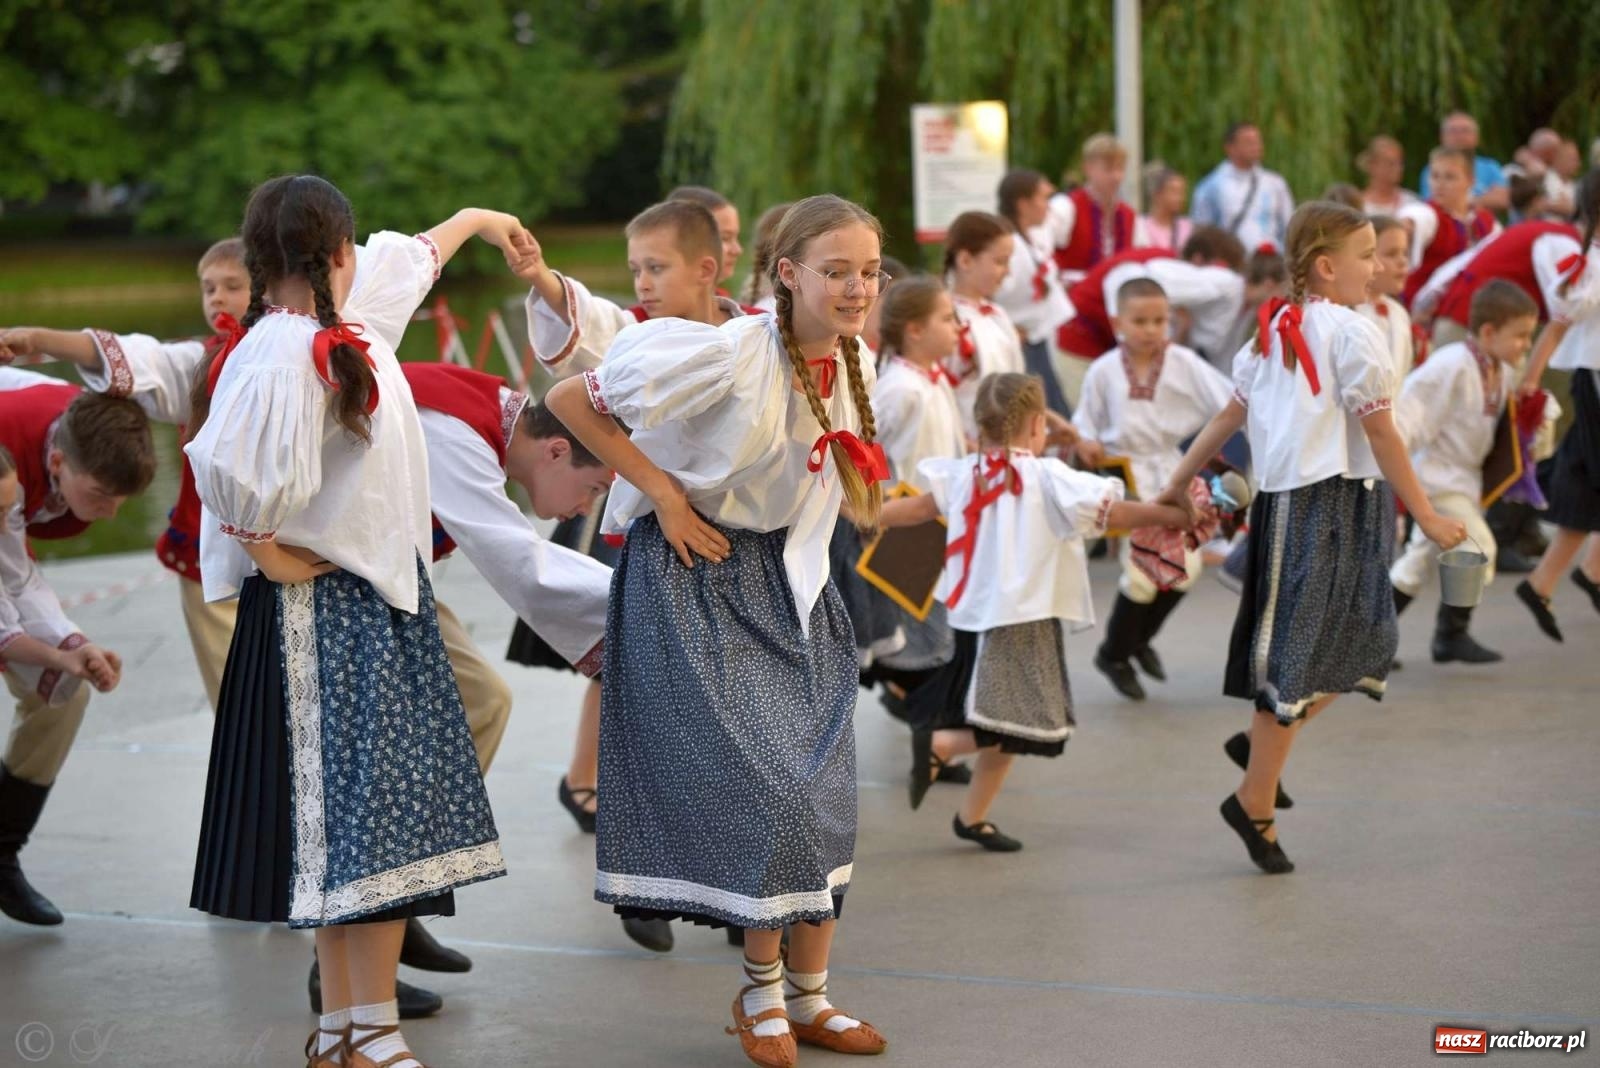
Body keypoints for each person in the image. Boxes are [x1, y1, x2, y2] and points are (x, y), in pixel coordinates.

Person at [183, 174, 532, 1068]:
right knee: (364, 830)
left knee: (365, 832)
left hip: (373, 602)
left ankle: (346, 1030)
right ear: (336, 251)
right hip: (323, 614)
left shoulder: (351, 322)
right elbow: (227, 468)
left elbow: (419, 252)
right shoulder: (280, 350)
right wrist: (269, 551)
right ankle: (369, 1031)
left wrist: (482, 219)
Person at [546, 193, 891, 1068]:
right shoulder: (729, 355)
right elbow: (568, 399)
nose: (856, 289)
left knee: (823, 794)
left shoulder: (857, 366)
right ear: (789, 273)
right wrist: (661, 491)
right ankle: (760, 993)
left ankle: (811, 999)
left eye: (869, 272)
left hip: (794, 584)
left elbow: (832, 487)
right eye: (837, 271)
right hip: (698, 578)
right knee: (771, 793)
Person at [1158, 201, 1467, 875]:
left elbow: (1232, 417)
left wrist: (1176, 480)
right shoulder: (1336, 332)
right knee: (1294, 663)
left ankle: (1258, 748)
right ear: (1327, 268)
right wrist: (1431, 517)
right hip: (1308, 504)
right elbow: (1377, 431)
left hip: (1351, 501)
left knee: (1371, 640)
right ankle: (1255, 798)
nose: (1378, 266)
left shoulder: (1291, 329)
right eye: (1368, 255)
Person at [888, 372, 1186, 847]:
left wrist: (865, 514)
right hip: (1017, 618)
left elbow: (917, 510)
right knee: (1028, 723)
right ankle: (940, 746)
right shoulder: (1047, 477)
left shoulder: (965, 472)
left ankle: (973, 816)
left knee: (1006, 721)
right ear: (1033, 427)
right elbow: (1115, 513)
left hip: (977, 615)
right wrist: (1170, 515)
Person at [0, 370, 147, 927]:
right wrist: (63, 648)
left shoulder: (83, 423)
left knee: (62, 693)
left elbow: (14, 578)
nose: (109, 514)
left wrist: (73, 649)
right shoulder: (13, 439)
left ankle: (2, 851)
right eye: (101, 497)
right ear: (58, 466)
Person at [1073, 278, 1233, 700]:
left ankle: (1134, 642)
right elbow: (1085, 421)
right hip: (1123, 477)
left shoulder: (1184, 362)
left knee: (1186, 571)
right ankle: (1114, 653)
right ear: (1117, 321)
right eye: (1140, 320)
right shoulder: (1104, 369)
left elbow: (1231, 402)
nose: (1150, 329)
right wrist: (1085, 441)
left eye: (1159, 320)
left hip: (1170, 472)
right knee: (1143, 572)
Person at [1390, 280, 1539, 662]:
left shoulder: (1499, 369)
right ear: (1488, 331)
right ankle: (1449, 635)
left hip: (1463, 482)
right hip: (1437, 479)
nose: (1525, 344)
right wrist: (1396, 473)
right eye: (1520, 336)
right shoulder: (1450, 364)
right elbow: (1408, 416)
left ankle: (1369, 644)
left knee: (1417, 563)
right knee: (1479, 547)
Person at [1513, 169, 1600, 642]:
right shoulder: (1587, 267)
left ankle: (1547, 581)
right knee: (1587, 482)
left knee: (1587, 486)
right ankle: (1582, 573)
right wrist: (1530, 378)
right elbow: (1559, 325)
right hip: (1594, 380)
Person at [995, 169, 1075, 416]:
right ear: (1023, 203)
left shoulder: (1026, 238)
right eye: (1043, 199)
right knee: (1034, 413)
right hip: (1023, 342)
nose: (1048, 207)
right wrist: (1006, 326)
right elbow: (995, 290)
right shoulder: (1011, 245)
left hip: (1038, 339)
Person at [942, 211, 1026, 437]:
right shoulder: (945, 318)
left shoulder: (997, 315)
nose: (1007, 272)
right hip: (970, 444)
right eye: (1000, 261)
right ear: (965, 260)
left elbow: (1016, 381)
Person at [1399, 146, 1500, 314]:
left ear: (1470, 180)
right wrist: (1401, 228)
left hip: (1467, 311)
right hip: (1421, 315)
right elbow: (1410, 220)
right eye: (1435, 176)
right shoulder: (1428, 213)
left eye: (1450, 177)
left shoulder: (1486, 222)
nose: (1439, 184)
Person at [1048, 133, 1144, 285]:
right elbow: (1043, 251)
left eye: (1120, 169)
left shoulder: (1129, 215)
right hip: (1072, 297)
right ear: (1088, 168)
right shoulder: (1066, 206)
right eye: (1109, 169)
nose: (1116, 177)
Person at [1191, 122, 1296, 253]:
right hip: (1229, 262)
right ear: (1230, 147)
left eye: (1258, 141)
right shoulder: (1211, 186)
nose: (1256, 146)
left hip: (1269, 262)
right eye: (1248, 142)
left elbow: (1289, 226)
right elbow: (1202, 230)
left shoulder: (1275, 183)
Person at [1418, 111, 1510, 215]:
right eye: (1453, 131)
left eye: (1465, 131)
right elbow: (1437, 204)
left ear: (1476, 137)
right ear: (1442, 137)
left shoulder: (1490, 166)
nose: (1459, 136)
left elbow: (1503, 200)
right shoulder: (1431, 169)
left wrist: (1461, 201)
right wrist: (1484, 199)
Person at [1358, 135, 1420, 216]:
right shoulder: (1357, 205)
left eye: (1400, 163)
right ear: (1373, 165)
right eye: (1391, 163)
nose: (1399, 168)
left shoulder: (1411, 202)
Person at [1138, 163, 1194, 252]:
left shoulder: (1187, 227)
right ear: (1157, 194)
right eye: (1173, 191)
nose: (1179, 198)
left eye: (1181, 192)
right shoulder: (1141, 226)